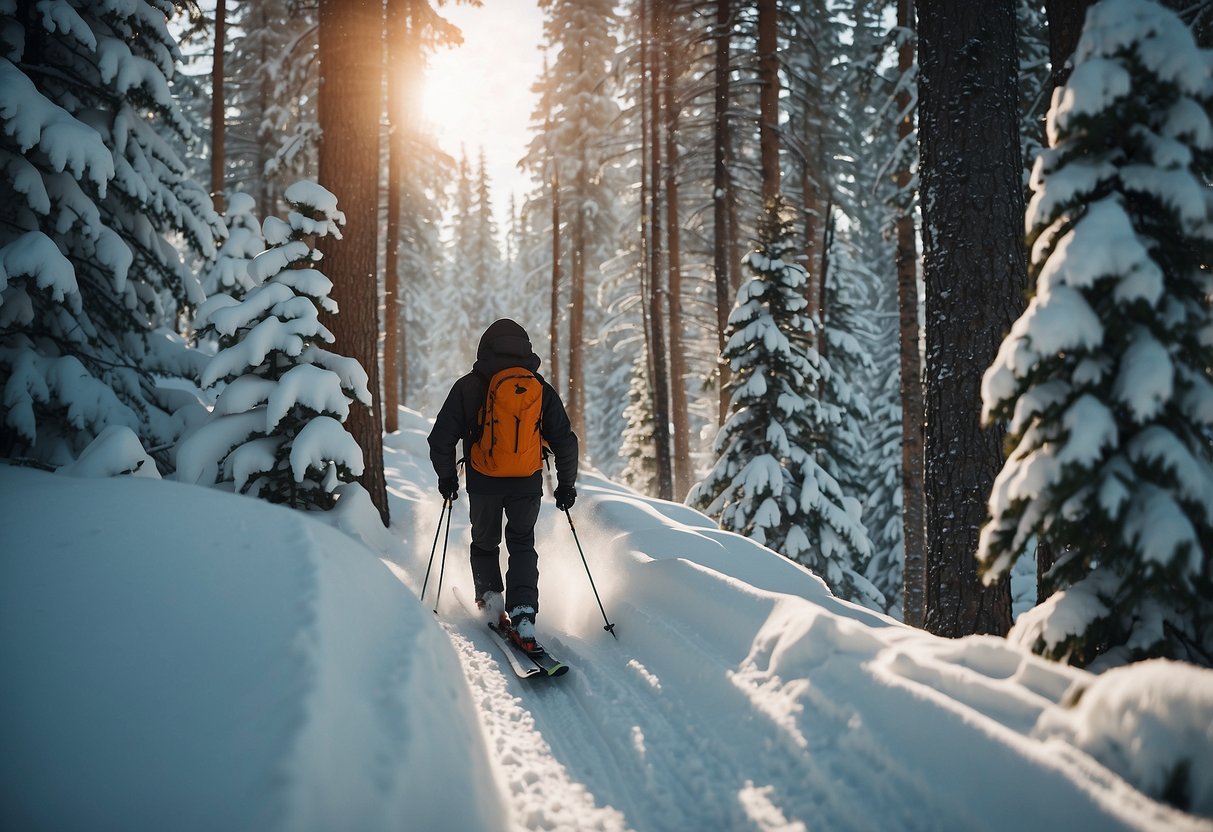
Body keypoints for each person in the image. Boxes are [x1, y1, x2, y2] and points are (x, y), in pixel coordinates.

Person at [428, 318, 578, 651]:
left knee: (485, 543)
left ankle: (491, 601)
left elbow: (440, 438)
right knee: (522, 543)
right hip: (526, 481)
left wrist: (447, 478)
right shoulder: (539, 386)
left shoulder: (469, 385)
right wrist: (566, 485)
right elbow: (566, 441)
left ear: (485, 347)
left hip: (484, 481)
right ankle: (524, 611)